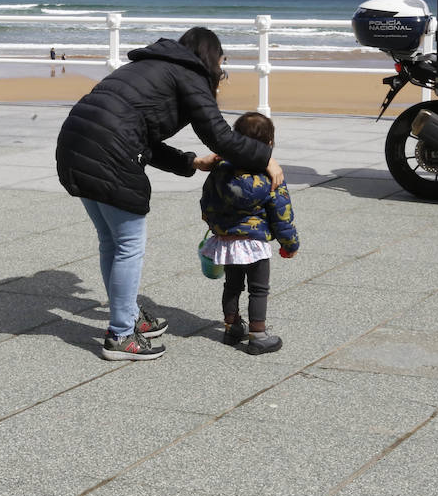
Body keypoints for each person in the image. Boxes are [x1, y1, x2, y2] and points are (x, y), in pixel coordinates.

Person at [56, 27, 283, 361]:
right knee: (128, 246)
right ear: (210, 58)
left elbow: (140, 133)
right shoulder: (190, 72)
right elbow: (219, 135)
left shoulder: (152, 66)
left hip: (75, 144)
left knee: (112, 242)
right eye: (222, 65)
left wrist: (190, 162)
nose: (221, 72)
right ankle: (120, 335)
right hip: (107, 152)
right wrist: (266, 158)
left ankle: (128, 317)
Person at [200, 112, 298, 355]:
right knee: (258, 289)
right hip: (254, 243)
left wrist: (214, 225)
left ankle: (231, 327)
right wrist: (290, 243)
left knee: (232, 286)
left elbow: (206, 202)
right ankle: (258, 334)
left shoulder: (220, 170)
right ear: (269, 145)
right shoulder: (271, 175)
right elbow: (282, 213)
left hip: (228, 241)